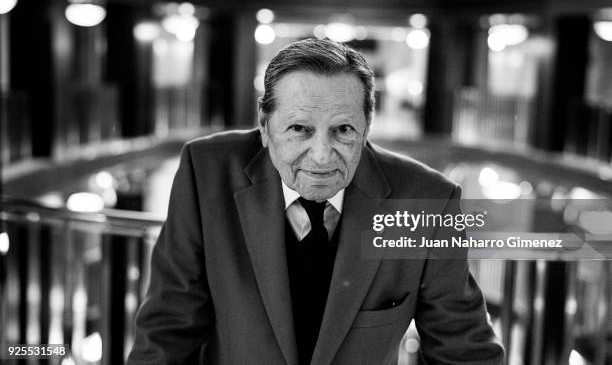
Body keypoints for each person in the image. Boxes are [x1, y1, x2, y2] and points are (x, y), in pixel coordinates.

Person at [127, 38, 504, 365]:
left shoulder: (427, 201)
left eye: (343, 130)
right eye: (299, 129)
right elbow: (167, 331)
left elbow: (463, 349)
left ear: (367, 127)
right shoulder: (205, 172)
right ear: (265, 125)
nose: (322, 156)